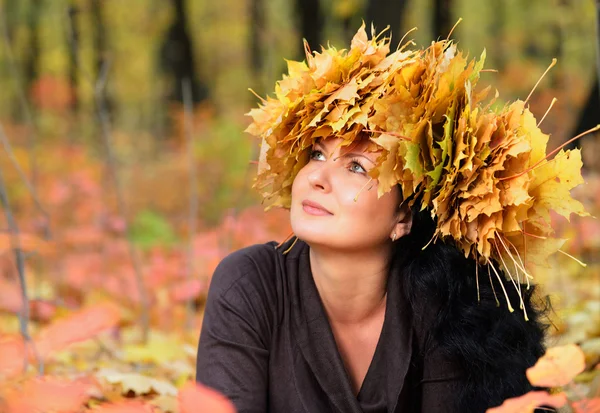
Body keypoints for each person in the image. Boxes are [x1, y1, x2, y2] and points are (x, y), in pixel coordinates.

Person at [196, 24, 586, 412]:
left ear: (403, 215)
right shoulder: (249, 286)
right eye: (316, 154)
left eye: (356, 167)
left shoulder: (446, 304)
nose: (317, 178)